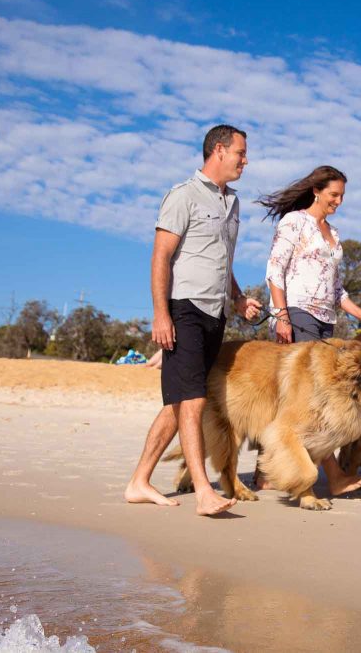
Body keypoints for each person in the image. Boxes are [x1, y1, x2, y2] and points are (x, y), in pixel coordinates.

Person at [124, 124, 262, 516]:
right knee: (194, 401)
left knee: (177, 404)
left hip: (214, 312)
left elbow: (223, 259)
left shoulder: (231, 203)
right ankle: (204, 491)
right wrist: (160, 314)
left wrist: (237, 300)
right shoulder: (182, 196)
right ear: (219, 150)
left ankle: (138, 482)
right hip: (184, 308)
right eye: (240, 153)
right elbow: (160, 257)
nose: (245, 160)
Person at [257, 165, 361, 495]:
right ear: (316, 190)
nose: (338, 201)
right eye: (333, 194)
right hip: (297, 312)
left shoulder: (334, 235)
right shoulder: (294, 222)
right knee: (312, 400)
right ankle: (334, 476)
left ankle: (265, 473)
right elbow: (274, 272)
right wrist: (281, 315)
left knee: (299, 400)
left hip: (326, 321)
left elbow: (338, 291)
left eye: (342, 196)